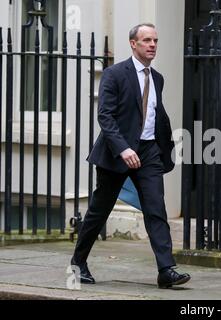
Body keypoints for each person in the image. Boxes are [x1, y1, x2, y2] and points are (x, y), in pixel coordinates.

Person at [70, 23, 190, 289]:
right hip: (117, 152)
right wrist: (123, 148)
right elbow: (106, 116)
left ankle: (166, 270)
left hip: (148, 152)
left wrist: (163, 146)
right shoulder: (114, 74)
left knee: (156, 208)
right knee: (99, 210)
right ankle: (78, 263)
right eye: (147, 40)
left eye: (156, 40)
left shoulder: (157, 78)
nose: (153, 45)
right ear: (133, 44)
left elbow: (154, 114)